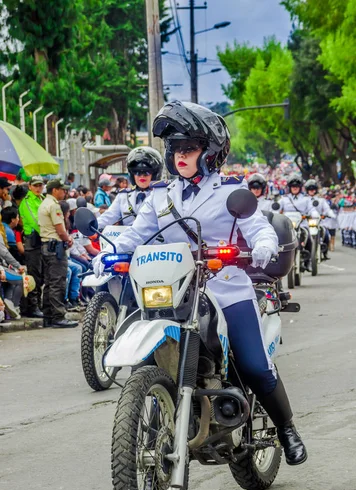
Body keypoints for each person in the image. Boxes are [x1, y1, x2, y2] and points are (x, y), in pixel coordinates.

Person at [93, 100, 307, 466]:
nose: (180, 156)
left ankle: (286, 429)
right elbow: (137, 234)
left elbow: (258, 229)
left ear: (209, 152)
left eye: (188, 148)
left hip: (226, 288)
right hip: (176, 287)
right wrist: (107, 251)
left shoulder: (230, 193)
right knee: (147, 351)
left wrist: (262, 247)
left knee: (255, 366)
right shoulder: (161, 196)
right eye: (175, 148)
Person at [37, 179, 78, 328]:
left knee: (49, 282)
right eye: (62, 190)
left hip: (46, 246)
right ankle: (58, 316)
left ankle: (48, 315)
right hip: (56, 247)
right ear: (55, 190)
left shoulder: (44, 203)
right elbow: (60, 229)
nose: (64, 192)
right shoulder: (54, 206)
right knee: (58, 283)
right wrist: (68, 239)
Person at [97, 146, 164, 229]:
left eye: (147, 172)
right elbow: (108, 217)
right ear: (132, 174)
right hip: (128, 240)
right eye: (137, 172)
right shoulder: (123, 197)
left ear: (155, 174)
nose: (142, 176)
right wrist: (90, 227)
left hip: (158, 241)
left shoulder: (163, 196)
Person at [277, 174, 319, 271]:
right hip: (287, 226)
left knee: (309, 238)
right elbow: (276, 209)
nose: (294, 188)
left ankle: (308, 262)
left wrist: (314, 214)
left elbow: (312, 209)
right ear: (289, 187)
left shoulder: (306, 199)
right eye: (293, 186)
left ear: (300, 187)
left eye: (296, 186)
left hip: (302, 225)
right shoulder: (284, 199)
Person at [18, 175, 45, 318]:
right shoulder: (27, 202)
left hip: (41, 240)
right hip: (33, 241)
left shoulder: (41, 199)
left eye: (40, 185)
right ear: (30, 186)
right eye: (35, 185)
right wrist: (47, 233)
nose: (38, 188)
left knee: (40, 276)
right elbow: (35, 221)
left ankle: (37, 305)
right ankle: (32, 307)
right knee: (34, 276)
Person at [305, 179, 336, 258]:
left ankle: (325, 253)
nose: (311, 191)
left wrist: (330, 214)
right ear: (307, 190)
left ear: (316, 190)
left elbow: (327, 209)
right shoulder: (304, 200)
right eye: (309, 189)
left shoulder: (321, 200)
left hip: (319, 222)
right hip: (306, 223)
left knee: (326, 234)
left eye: (313, 189)